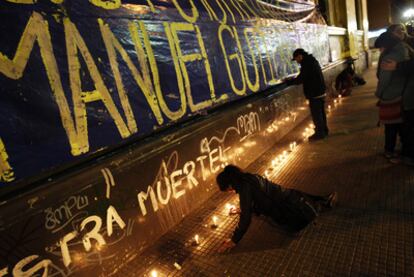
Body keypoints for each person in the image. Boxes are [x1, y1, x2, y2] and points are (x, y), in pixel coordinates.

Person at [216, 165, 337, 253]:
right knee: (298, 196)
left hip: (286, 209)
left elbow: (245, 219)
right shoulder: (250, 177)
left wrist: (234, 240)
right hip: (287, 195)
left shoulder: (244, 189)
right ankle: (323, 200)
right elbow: (259, 199)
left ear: (230, 185)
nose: (230, 192)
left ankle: (320, 205)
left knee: (293, 222)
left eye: (228, 190)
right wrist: (244, 208)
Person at [374, 26, 411, 159]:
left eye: (381, 47)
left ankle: (390, 151)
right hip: (403, 95)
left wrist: (378, 94)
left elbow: (384, 80)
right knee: (402, 126)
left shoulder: (389, 58)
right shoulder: (406, 49)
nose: (380, 50)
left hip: (391, 96)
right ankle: (404, 150)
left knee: (390, 127)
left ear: (386, 45)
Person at [285, 48, 329, 141]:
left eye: (296, 59)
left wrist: (289, 82)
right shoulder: (312, 61)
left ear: (300, 56)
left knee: (316, 114)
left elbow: (301, 78)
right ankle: (324, 131)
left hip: (315, 92)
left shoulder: (307, 64)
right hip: (320, 91)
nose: (296, 61)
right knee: (321, 113)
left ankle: (319, 134)